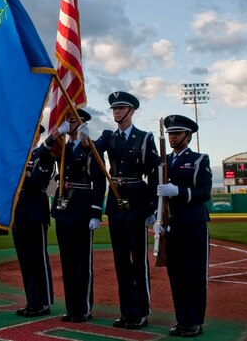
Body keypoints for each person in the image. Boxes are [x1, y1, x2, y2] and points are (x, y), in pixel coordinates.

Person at [95, 91, 160, 330]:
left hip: (136, 201)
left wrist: (152, 206)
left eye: (121, 109)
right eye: (114, 109)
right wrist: (83, 137)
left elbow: (154, 172)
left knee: (138, 261)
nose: (117, 112)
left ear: (132, 111)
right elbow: (92, 152)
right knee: (120, 261)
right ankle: (126, 312)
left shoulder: (144, 138)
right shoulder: (109, 137)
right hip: (115, 202)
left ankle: (141, 311)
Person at [155, 114, 212, 337]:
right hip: (171, 226)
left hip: (193, 224)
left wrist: (178, 191)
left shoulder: (199, 160)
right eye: (170, 133)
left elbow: (204, 192)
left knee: (194, 274)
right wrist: (157, 218)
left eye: (177, 133)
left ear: (188, 136)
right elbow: (158, 194)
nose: (172, 137)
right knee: (176, 275)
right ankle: (181, 320)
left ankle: (195, 320)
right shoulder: (164, 162)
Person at [50, 110, 106, 323]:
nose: (69, 124)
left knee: (82, 262)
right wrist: (56, 134)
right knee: (67, 262)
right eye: (67, 120)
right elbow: (43, 154)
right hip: (63, 208)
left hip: (82, 207)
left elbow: (98, 181)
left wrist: (95, 213)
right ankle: (71, 307)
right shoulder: (62, 147)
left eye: (73, 120)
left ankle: (84, 308)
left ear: (82, 123)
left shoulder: (91, 148)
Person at [12, 125, 59, 318]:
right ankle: (32, 300)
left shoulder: (44, 156)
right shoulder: (19, 157)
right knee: (25, 261)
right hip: (19, 213)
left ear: (38, 136)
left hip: (34, 212)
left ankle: (43, 302)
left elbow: (35, 182)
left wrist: (18, 178)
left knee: (38, 259)